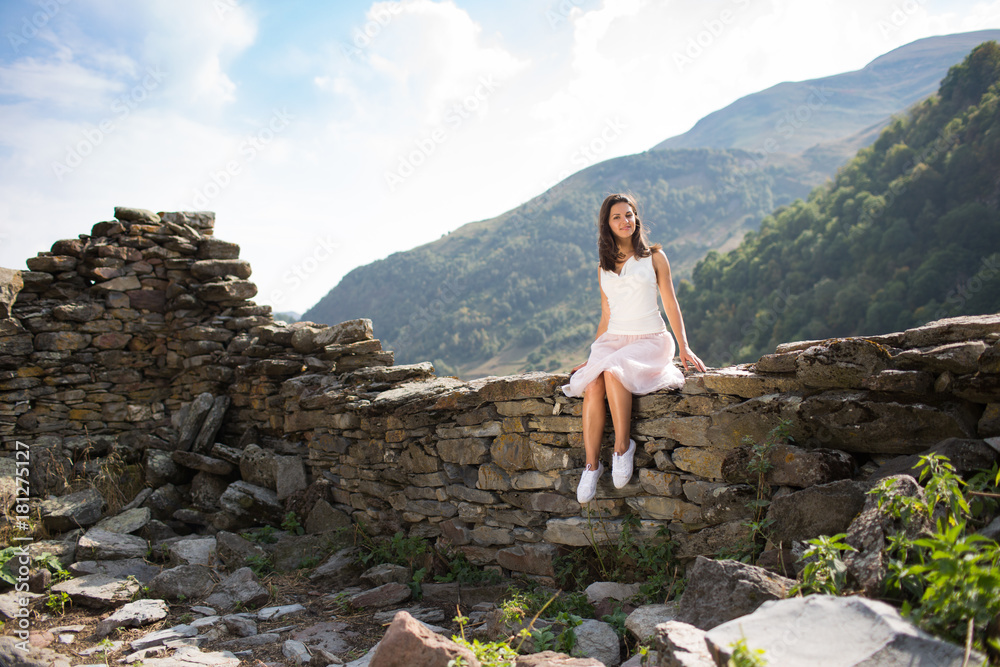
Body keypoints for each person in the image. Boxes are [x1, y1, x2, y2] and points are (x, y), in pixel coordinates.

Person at [563, 192, 707, 504]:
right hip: (614, 339)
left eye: (628, 214)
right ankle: (591, 466)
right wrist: (592, 358)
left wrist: (684, 346)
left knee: (614, 372)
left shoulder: (655, 257)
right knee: (593, 383)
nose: (624, 221)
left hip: (649, 339)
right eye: (616, 217)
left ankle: (621, 448)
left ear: (636, 218)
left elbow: (670, 302)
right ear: (607, 224)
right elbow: (606, 315)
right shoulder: (602, 267)